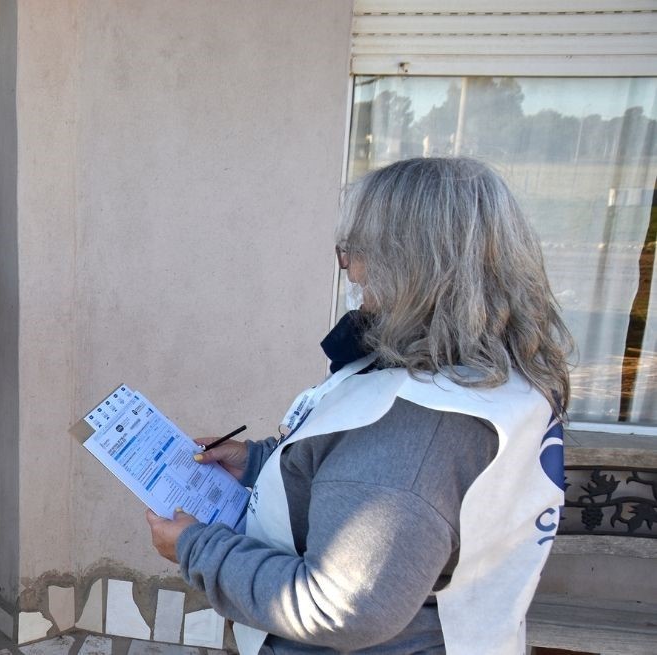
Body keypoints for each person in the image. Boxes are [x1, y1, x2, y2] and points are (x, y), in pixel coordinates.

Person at [146, 157, 572, 654]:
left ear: (411, 265)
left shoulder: (422, 427)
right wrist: (258, 461)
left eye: (355, 249)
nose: (349, 266)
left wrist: (195, 547)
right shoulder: (487, 377)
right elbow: (359, 470)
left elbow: (340, 609)